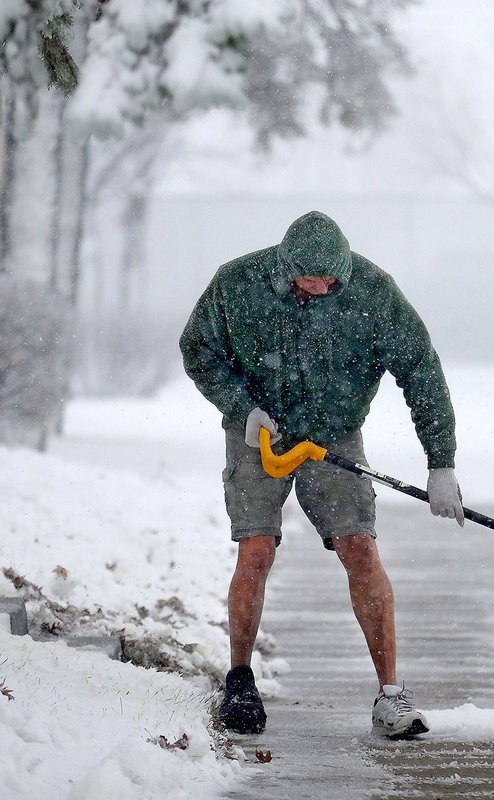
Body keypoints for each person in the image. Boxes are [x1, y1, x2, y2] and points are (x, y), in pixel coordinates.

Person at [179, 210, 463, 739]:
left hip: (334, 437)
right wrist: (243, 408)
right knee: (256, 549)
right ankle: (240, 680)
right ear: (286, 267)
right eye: (312, 279)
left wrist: (440, 463)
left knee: (360, 549)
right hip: (258, 436)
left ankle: (392, 697)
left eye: (333, 278)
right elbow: (198, 350)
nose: (323, 286)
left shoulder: (372, 293)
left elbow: (420, 369)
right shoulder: (237, 283)